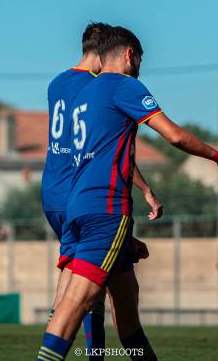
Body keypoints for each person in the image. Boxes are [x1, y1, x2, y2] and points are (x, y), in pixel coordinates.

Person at [36, 26, 218, 361]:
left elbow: (100, 153)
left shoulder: (84, 95)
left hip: (78, 207)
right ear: (130, 55)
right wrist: (217, 156)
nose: (140, 69)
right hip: (105, 211)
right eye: (140, 61)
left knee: (127, 312)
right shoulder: (124, 85)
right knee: (75, 303)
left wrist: (132, 220)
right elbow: (174, 135)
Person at [41, 22, 162, 361]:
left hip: (53, 192)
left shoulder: (57, 83)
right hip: (83, 193)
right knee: (83, 291)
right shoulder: (96, 87)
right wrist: (145, 188)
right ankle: (89, 354)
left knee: (100, 284)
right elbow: (102, 149)